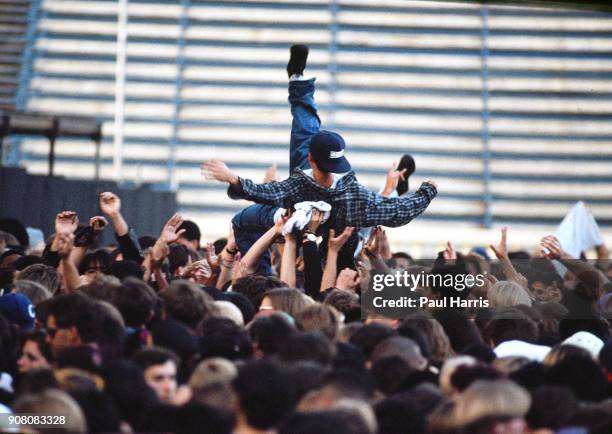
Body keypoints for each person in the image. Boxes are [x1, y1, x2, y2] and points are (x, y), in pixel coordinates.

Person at [202, 44, 437, 270]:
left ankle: (260, 274)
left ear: (311, 158)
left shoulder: (298, 185)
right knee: (367, 223)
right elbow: (398, 212)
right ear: (340, 164)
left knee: (243, 220)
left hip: (306, 230)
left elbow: (264, 192)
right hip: (331, 235)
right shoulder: (353, 195)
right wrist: (428, 191)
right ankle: (394, 188)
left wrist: (232, 178)